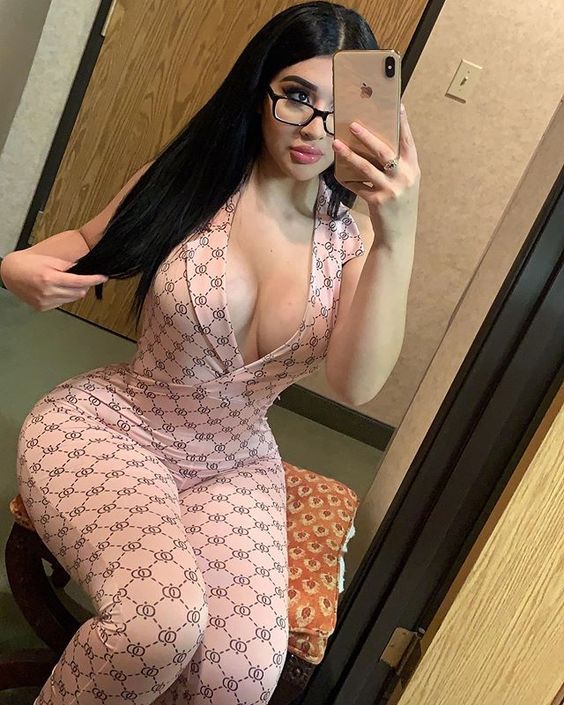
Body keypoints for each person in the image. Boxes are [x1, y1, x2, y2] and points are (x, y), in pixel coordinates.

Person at [1, 1, 420, 703]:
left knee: (239, 678)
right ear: (259, 91)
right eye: (296, 96)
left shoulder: (351, 243)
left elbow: (355, 385)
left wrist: (397, 236)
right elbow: (82, 244)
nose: (314, 128)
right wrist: (16, 266)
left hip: (234, 460)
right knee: (158, 624)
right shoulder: (191, 184)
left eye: (337, 109)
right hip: (113, 425)